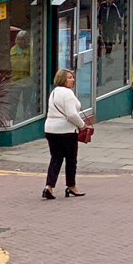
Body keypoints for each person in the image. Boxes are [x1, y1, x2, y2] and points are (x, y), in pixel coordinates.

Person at [43, 68, 88, 199]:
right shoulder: (68, 93)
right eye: (69, 77)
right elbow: (71, 114)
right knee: (71, 159)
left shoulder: (54, 92)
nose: (73, 80)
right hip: (66, 130)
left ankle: (49, 187)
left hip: (50, 130)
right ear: (62, 79)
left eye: (72, 77)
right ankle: (71, 186)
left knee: (55, 159)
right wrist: (82, 125)